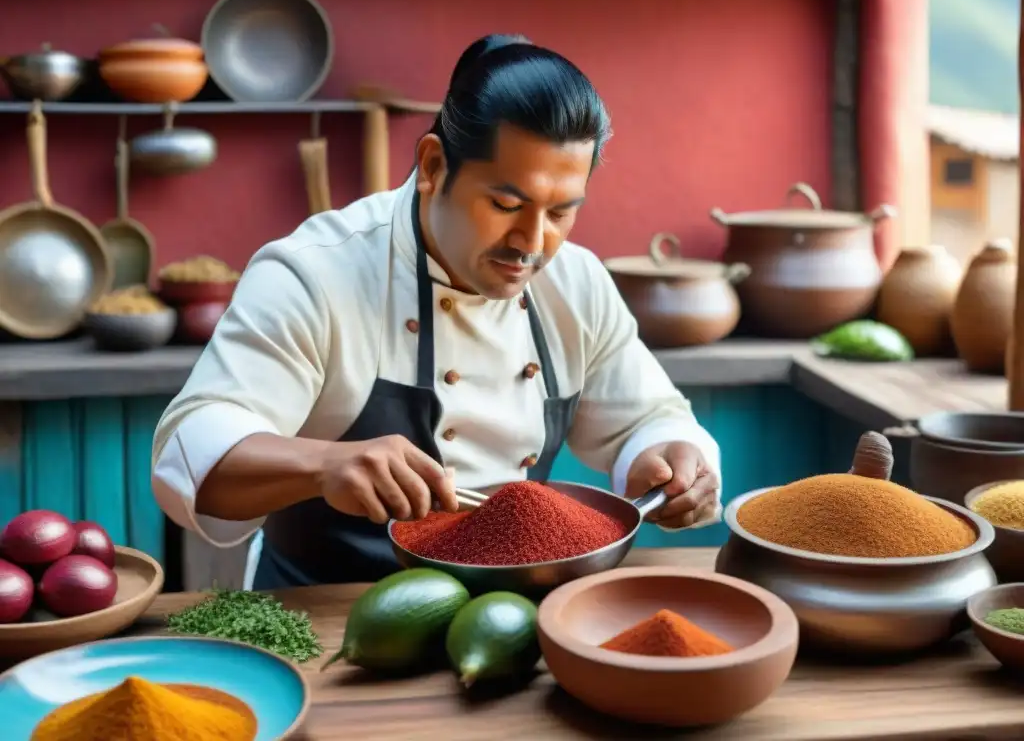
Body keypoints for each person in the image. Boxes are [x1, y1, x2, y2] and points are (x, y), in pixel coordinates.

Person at [151, 34, 723, 591]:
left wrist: (667, 456)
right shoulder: (316, 272)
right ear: (431, 165)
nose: (532, 241)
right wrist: (323, 465)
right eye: (505, 204)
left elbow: (647, 419)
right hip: (325, 612)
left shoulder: (574, 281)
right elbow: (193, 449)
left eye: (561, 213)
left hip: (511, 615)